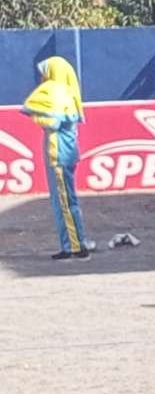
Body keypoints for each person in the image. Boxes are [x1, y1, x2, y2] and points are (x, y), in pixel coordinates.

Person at [22, 57, 91, 260]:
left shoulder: (57, 96)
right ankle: (74, 243)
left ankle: (75, 247)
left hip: (58, 155)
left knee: (64, 202)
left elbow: (52, 122)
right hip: (65, 154)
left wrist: (35, 116)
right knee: (67, 200)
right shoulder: (69, 94)